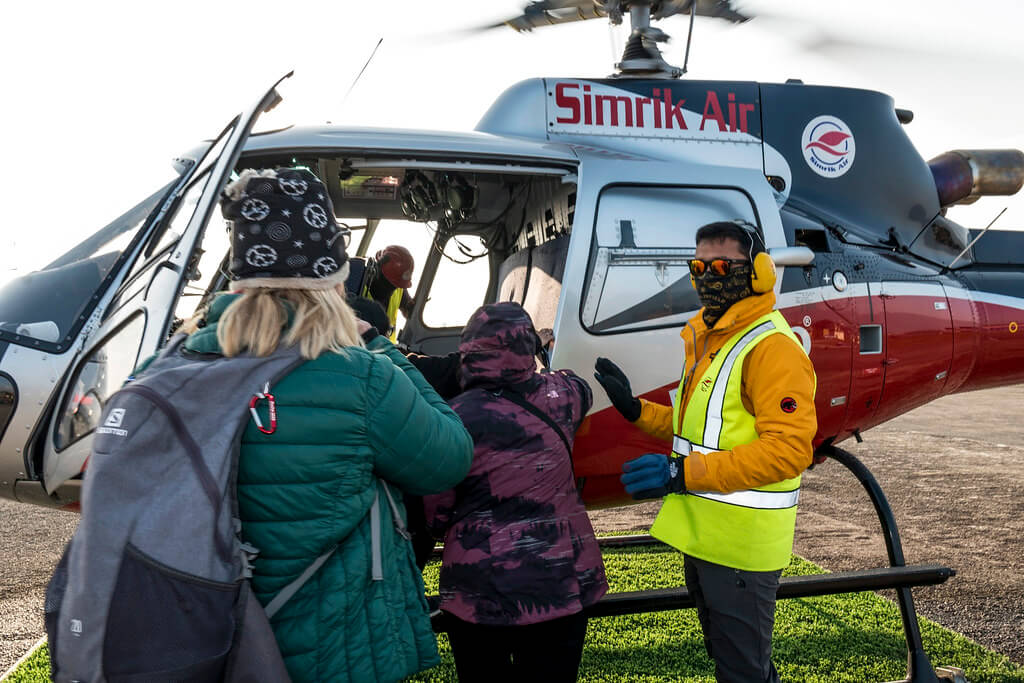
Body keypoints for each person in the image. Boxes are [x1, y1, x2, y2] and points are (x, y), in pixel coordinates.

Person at [178, 167, 474, 682]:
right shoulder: (361, 373)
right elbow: (449, 455)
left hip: (205, 638)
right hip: (331, 650)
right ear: (330, 274)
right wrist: (380, 349)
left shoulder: (170, 367)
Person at [593, 220, 817, 683]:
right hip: (706, 538)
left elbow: (789, 450)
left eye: (721, 266)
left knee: (743, 674)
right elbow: (696, 427)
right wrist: (637, 410)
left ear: (757, 271)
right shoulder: (714, 339)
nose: (708, 276)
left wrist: (680, 476)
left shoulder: (771, 348)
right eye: (698, 266)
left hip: (740, 549)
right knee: (732, 663)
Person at [423, 302, 608, 683]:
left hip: (479, 594)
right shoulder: (563, 398)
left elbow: (436, 514)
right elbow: (579, 385)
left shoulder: (451, 418)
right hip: (559, 586)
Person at [362, 244, 416, 341]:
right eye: (391, 284)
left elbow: (408, 311)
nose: (394, 288)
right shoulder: (359, 285)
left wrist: (414, 308)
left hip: (387, 350)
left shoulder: (399, 287)